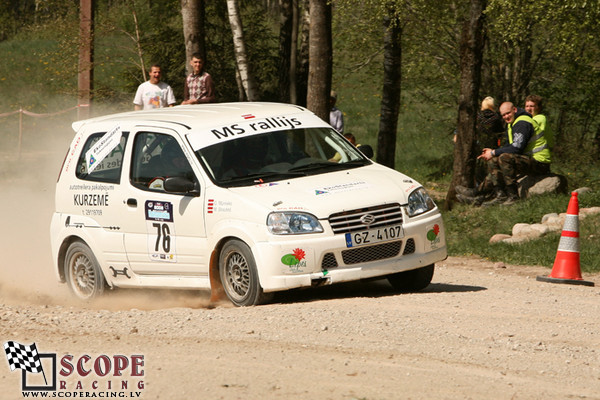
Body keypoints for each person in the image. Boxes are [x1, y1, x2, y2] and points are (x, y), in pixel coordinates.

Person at [456, 101, 551, 206]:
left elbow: (517, 148)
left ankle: (512, 196)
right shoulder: (512, 123)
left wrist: (493, 152)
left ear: (514, 110)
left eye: (508, 113)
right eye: (504, 115)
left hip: (540, 163)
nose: (506, 117)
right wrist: (492, 153)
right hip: (528, 160)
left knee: (504, 158)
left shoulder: (522, 123)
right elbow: (508, 146)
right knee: (494, 160)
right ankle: (496, 194)